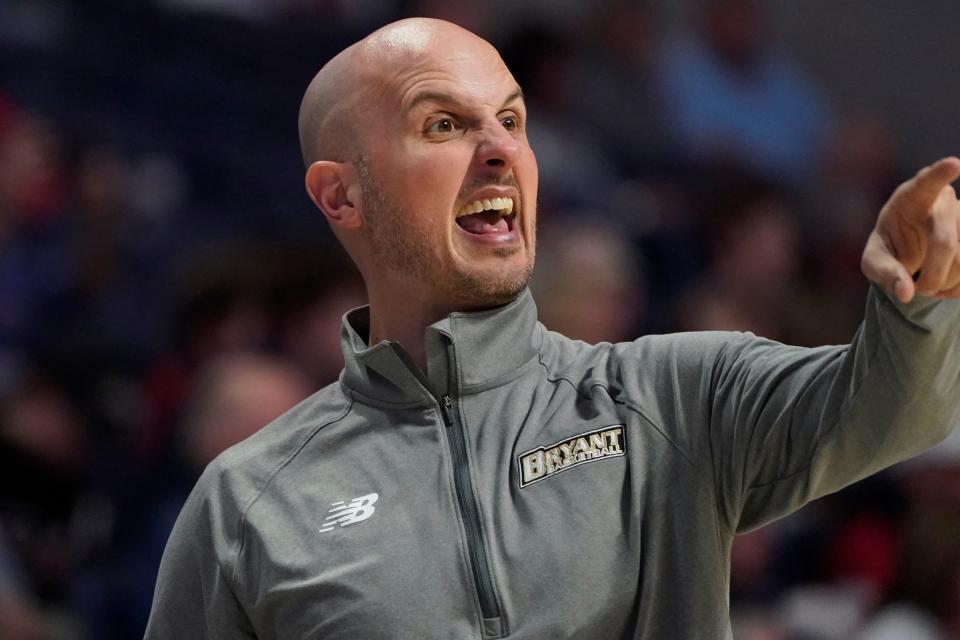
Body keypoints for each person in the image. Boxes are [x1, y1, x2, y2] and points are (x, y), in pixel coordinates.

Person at [144, 17, 960, 640]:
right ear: (341, 196)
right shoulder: (247, 505)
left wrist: (921, 298)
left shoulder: (670, 397)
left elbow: (897, 407)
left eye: (512, 119)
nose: (501, 149)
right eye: (443, 125)